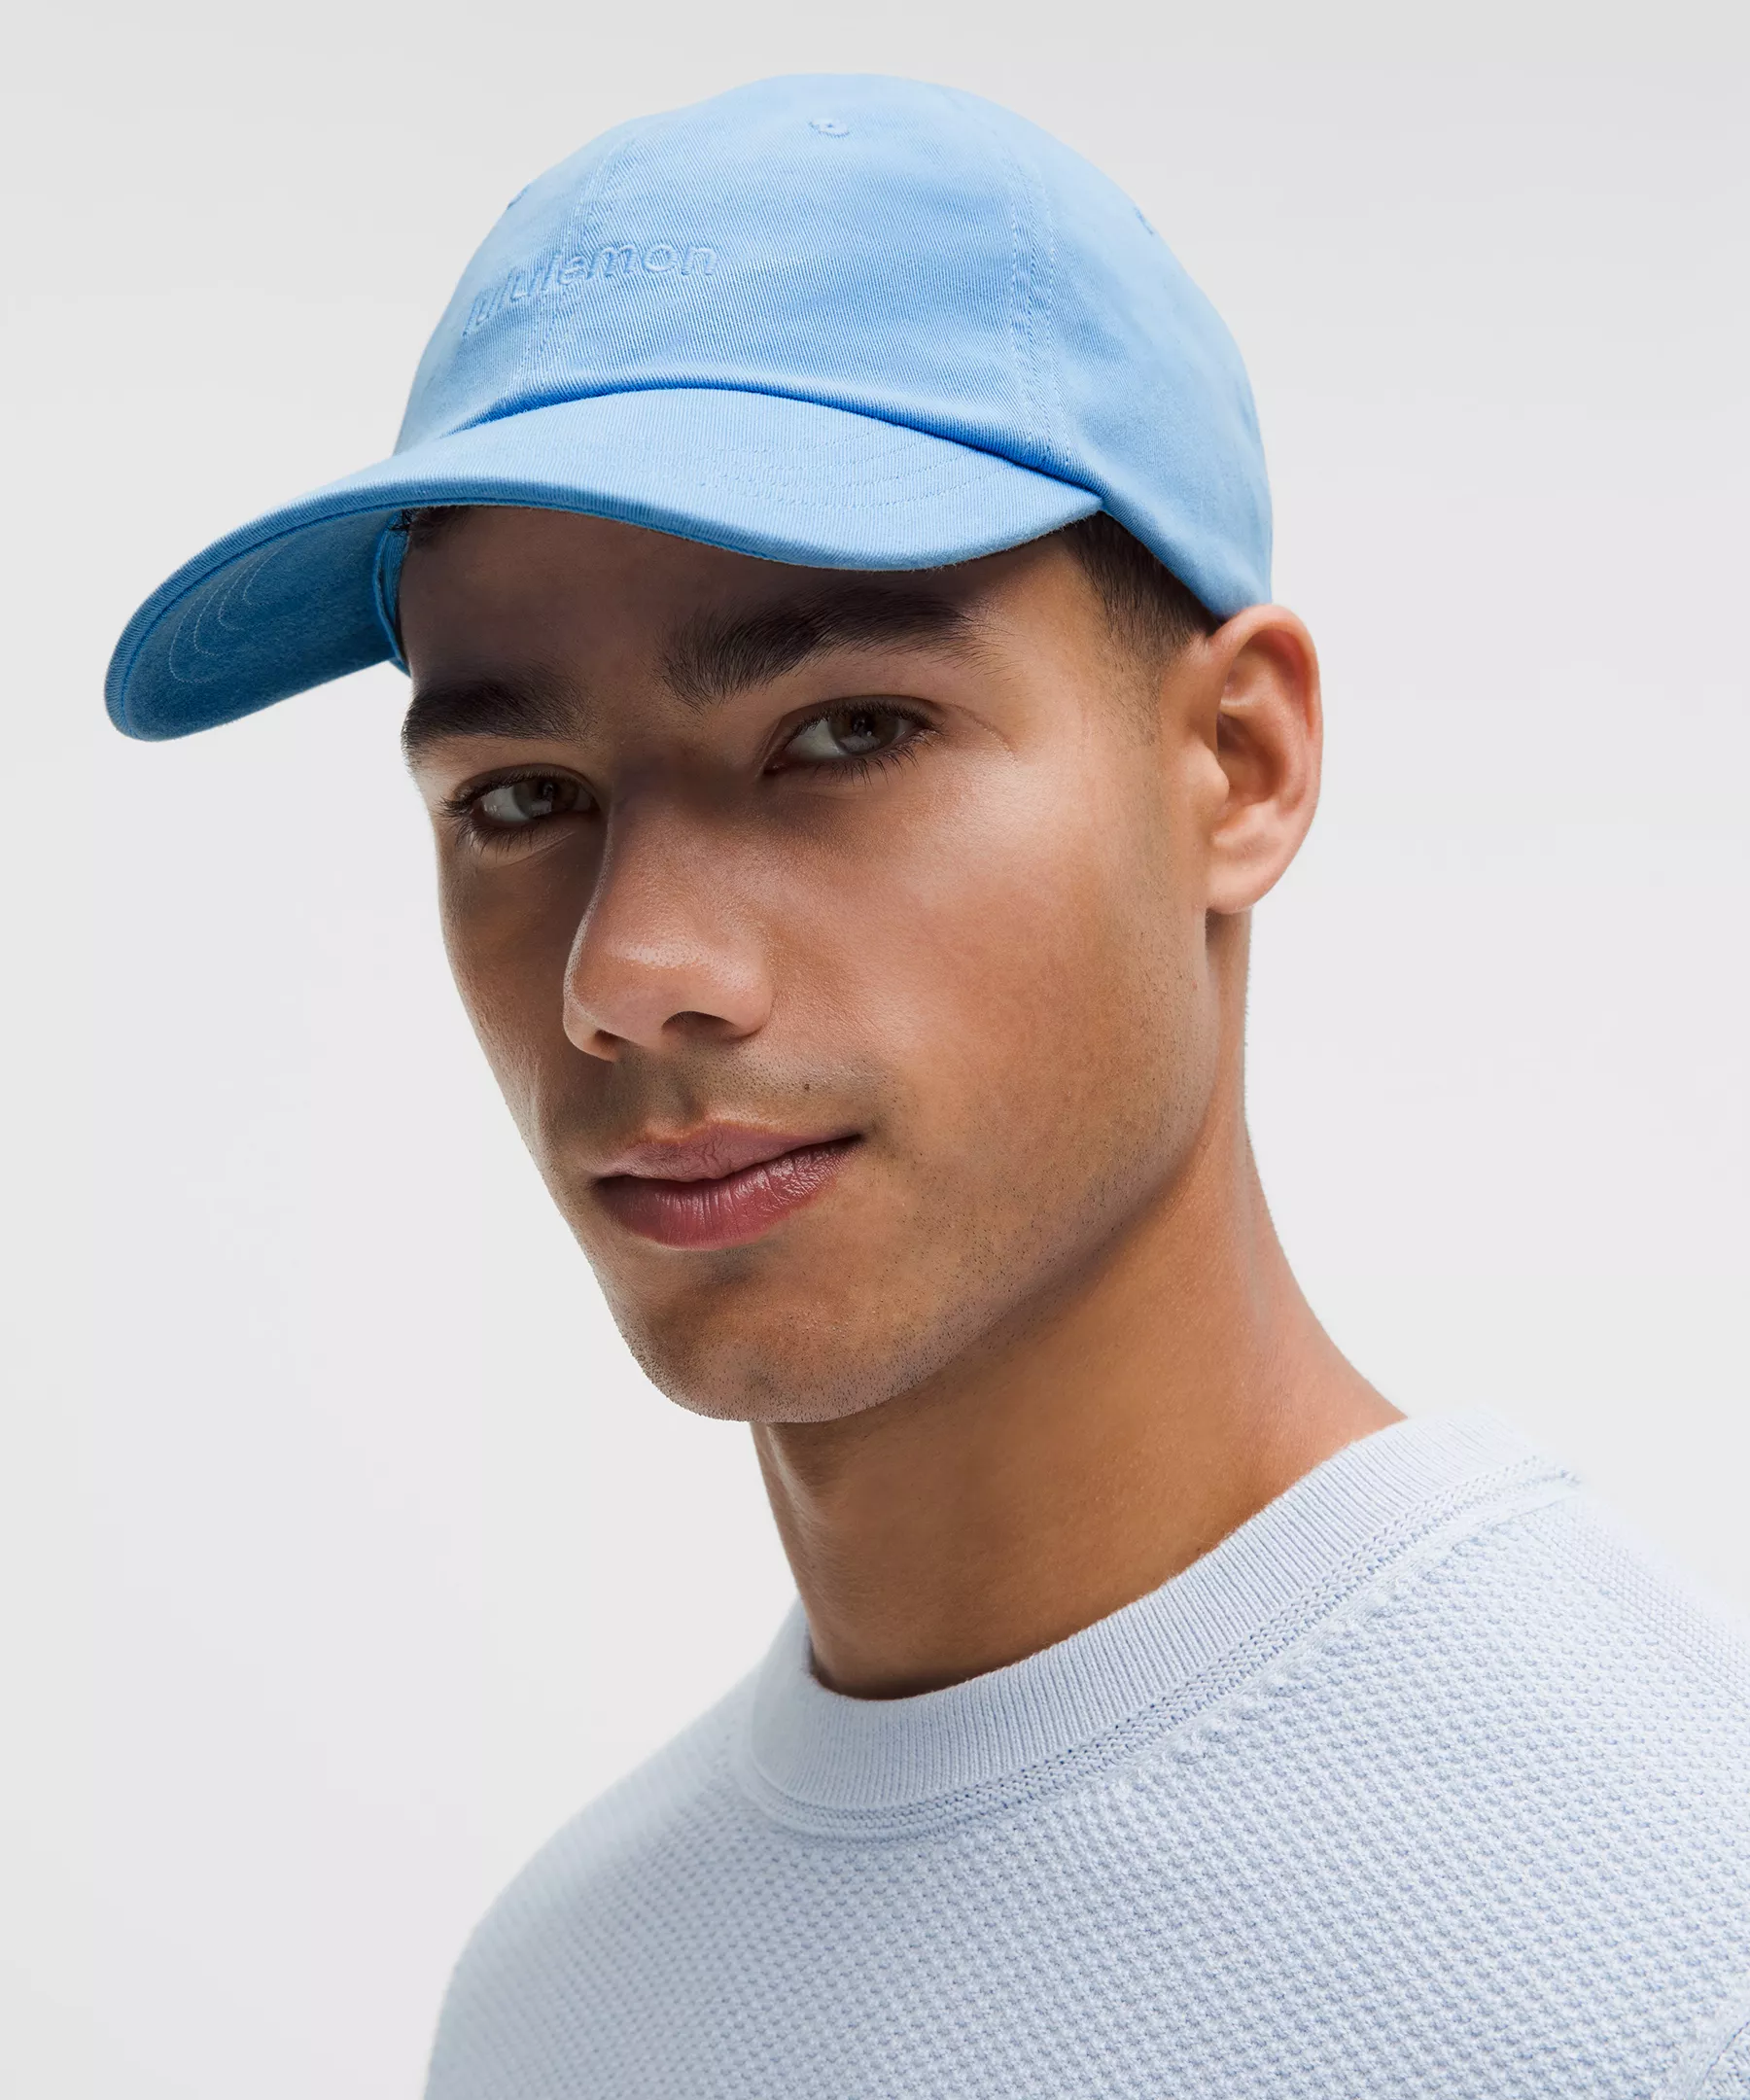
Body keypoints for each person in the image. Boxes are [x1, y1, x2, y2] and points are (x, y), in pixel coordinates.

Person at [107, 72, 1750, 2100]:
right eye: (521, 797)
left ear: (1237, 763)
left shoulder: (1681, 1941)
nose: (628, 974)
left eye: (843, 734)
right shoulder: (555, 2002)